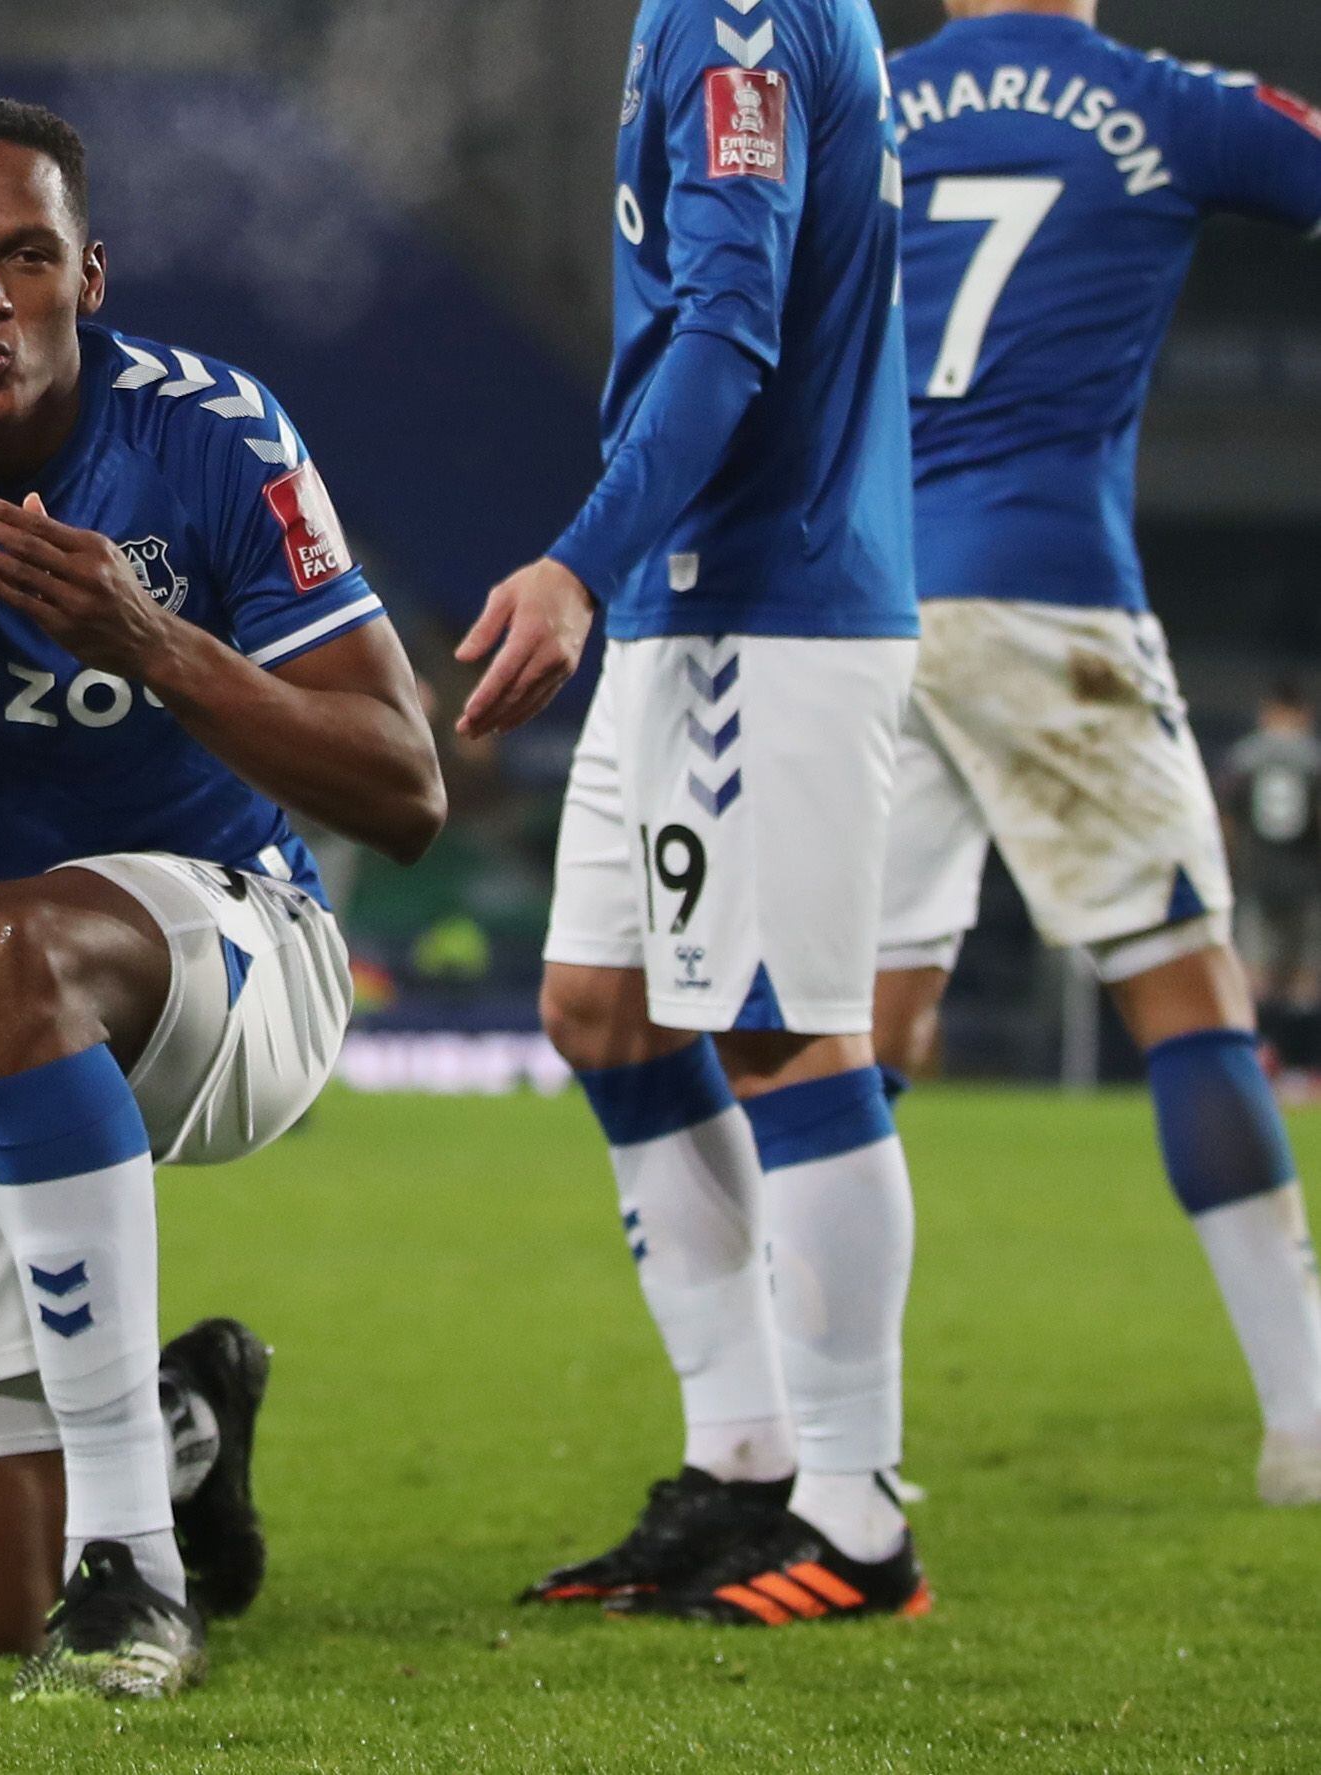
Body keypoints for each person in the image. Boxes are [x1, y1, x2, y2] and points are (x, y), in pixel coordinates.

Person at [0, 99, 444, 1697]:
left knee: (3, 932)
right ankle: (180, 1422)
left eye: (25, 257)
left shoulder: (214, 432)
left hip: (240, 953)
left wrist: (157, 643)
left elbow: (405, 782)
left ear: (86, 278)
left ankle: (132, 1569)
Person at [465, 0, 929, 1624]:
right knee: (601, 1010)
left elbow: (731, 322)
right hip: (687, 606)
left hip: (768, 597)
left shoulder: (742, 17)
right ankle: (743, 1464)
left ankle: (859, 1521)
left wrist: (575, 562)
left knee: (783, 1037)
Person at [878, 0, 1321, 1508]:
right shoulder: (1163, 100)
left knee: (857, 1027)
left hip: (858, 602)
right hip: (1045, 589)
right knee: (1183, 979)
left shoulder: (862, 98)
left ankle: (831, 1450)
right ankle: (1305, 1423)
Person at [1221, 684, 1321, 1026]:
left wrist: (1228, 870)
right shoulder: (1313, 758)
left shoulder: (1245, 757)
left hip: (1256, 877)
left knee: (1254, 971)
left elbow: (1227, 819)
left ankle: (1260, 1053)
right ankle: (1302, 1060)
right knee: (1306, 972)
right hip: (1308, 880)